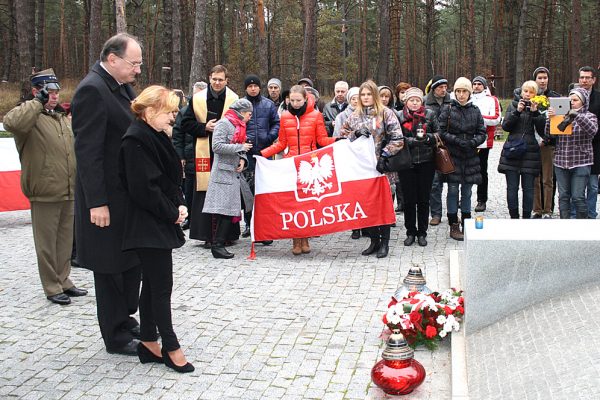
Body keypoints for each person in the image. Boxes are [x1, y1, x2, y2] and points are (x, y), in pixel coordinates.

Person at [71, 33, 143, 355]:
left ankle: (126, 319)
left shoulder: (121, 86)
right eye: (134, 63)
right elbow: (89, 153)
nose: (138, 70)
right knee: (110, 266)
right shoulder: (91, 90)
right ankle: (114, 335)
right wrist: (97, 202)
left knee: (129, 261)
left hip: (126, 196)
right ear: (112, 59)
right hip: (106, 199)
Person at [119, 85, 193, 373]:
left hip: (156, 220)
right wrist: (173, 212)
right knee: (161, 286)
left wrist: (180, 204)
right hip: (146, 224)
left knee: (151, 284)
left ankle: (149, 341)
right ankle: (171, 345)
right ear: (149, 112)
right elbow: (144, 189)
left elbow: (169, 178)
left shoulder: (153, 134)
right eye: (169, 112)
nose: (173, 117)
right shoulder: (135, 140)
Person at [4, 69, 87, 305]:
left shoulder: (60, 117)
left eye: (56, 91)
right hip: (45, 191)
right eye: (49, 91)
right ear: (36, 91)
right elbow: (11, 123)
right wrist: (36, 103)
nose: (54, 95)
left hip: (68, 188)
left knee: (64, 240)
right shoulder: (30, 117)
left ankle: (64, 279)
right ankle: (51, 286)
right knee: (47, 243)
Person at [260, 85, 336, 255]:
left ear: (305, 99)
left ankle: (306, 238)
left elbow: (322, 140)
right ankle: (296, 239)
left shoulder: (316, 115)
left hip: (310, 165)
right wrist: (262, 153)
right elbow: (282, 143)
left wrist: (339, 140)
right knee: (294, 204)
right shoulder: (285, 117)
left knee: (308, 203)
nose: (294, 103)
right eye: (292, 100)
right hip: (291, 165)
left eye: (298, 100)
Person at [180, 65, 239, 247]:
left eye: (221, 79)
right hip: (204, 151)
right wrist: (204, 127)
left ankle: (225, 235)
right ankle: (207, 234)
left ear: (226, 80)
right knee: (205, 191)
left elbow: (241, 125)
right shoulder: (197, 99)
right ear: (209, 78)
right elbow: (185, 123)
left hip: (225, 152)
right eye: (214, 79)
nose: (217, 82)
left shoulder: (234, 99)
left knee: (225, 190)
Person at [344, 80, 403, 258]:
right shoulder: (354, 116)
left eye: (369, 94)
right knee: (367, 206)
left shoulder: (386, 113)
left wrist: (385, 154)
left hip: (382, 167)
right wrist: (355, 134)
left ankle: (384, 243)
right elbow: (341, 135)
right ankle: (373, 241)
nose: (366, 97)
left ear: (375, 95)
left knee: (382, 206)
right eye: (363, 94)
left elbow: (398, 138)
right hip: (362, 169)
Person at [203, 99, 255, 259]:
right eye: (248, 113)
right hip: (222, 174)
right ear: (241, 112)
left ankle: (218, 244)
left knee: (228, 211)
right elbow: (216, 146)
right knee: (224, 211)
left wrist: (242, 159)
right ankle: (217, 245)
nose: (250, 117)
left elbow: (240, 148)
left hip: (233, 173)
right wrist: (240, 148)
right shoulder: (224, 124)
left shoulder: (239, 126)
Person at [438, 77, 486, 240]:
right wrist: (457, 141)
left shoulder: (475, 110)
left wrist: (473, 142)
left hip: (470, 155)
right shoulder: (448, 109)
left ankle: (466, 221)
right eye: (458, 91)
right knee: (452, 190)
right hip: (453, 155)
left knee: (467, 191)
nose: (461, 94)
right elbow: (441, 131)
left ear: (469, 92)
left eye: (464, 91)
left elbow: (482, 132)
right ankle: (453, 223)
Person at [396, 87, 439, 247]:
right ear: (406, 101)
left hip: (426, 161)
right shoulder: (399, 115)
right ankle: (410, 232)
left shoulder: (430, 114)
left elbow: (438, 134)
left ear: (422, 101)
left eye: (417, 100)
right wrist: (412, 141)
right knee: (408, 200)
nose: (414, 103)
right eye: (411, 100)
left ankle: (422, 232)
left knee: (423, 199)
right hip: (406, 162)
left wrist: (427, 138)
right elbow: (395, 137)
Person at [497, 80, 546, 219]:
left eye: (531, 92)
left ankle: (526, 217)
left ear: (536, 94)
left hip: (530, 152)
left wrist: (536, 113)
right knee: (512, 188)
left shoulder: (540, 107)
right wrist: (517, 112)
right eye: (526, 91)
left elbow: (543, 131)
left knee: (529, 189)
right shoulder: (513, 105)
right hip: (512, 150)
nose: (528, 94)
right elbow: (506, 127)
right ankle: (513, 217)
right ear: (521, 91)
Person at [546, 88, 598, 219]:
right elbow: (549, 134)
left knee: (578, 196)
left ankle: (580, 226)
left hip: (581, 162)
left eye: (575, 100)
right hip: (561, 162)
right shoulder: (560, 115)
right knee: (563, 196)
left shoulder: (589, 116)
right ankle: (565, 225)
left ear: (583, 102)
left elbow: (592, 131)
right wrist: (550, 119)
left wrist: (576, 115)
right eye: (570, 100)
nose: (572, 102)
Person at [241, 75, 280, 240]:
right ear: (246, 89)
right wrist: (241, 139)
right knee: (248, 192)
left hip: (264, 154)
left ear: (259, 87)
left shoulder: (268, 104)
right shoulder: (240, 104)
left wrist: (269, 137)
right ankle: (249, 225)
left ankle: (265, 228)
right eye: (250, 86)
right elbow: (234, 124)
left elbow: (276, 123)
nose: (253, 89)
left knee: (263, 191)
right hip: (246, 154)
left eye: (255, 86)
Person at [172, 82, 205, 230]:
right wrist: (180, 156)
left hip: (205, 156)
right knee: (189, 191)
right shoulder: (185, 111)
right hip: (190, 155)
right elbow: (177, 135)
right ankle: (189, 217)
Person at [529, 67, 561, 218]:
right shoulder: (530, 96)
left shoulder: (555, 97)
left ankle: (548, 209)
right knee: (536, 178)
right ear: (535, 79)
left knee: (548, 178)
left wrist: (548, 139)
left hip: (548, 143)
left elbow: (559, 122)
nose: (542, 81)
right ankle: (537, 209)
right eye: (539, 78)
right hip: (533, 143)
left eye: (545, 78)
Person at [424, 75, 452, 226]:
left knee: (453, 183)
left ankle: (452, 214)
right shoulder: (424, 102)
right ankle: (435, 214)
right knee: (435, 183)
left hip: (450, 146)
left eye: (445, 87)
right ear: (434, 88)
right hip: (431, 147)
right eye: (440, 87)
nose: (443, 90)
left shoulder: (452, 101)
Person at [470, 76, 501, 213]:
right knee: (465, 169)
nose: (476, 86)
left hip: (483, 141)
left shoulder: (491, 100)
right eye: (474, 84)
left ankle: (482, 200)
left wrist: (478, 118)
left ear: (484, 86)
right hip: (467, 141)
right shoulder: (467, 97)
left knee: (482, 171)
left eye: (479, 84)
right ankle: (464, 197)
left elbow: (495, 118)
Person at [576, 66, 600, 218]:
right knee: (576, 185)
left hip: (595, 145)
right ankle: (576, 213)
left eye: (587, 78)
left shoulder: (598, 97)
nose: (584, 80)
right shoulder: (573, 96)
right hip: (577, 146)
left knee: (592, 184)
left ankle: (591, 213)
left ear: (593, 80)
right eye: (582, 77)